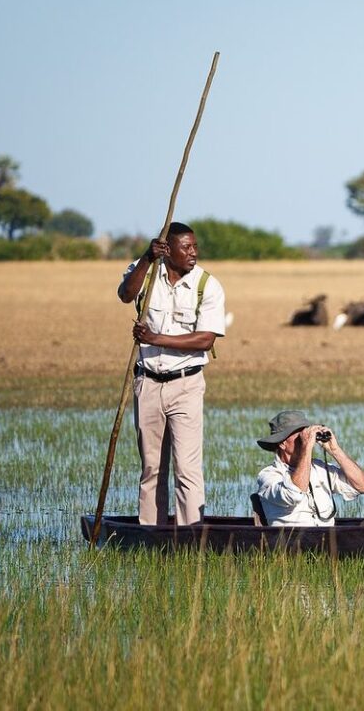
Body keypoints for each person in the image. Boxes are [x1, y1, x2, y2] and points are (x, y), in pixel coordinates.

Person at [117, 221, 225, 525]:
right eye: (186, 247)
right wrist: (147, 257)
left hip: (187, 384)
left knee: (187, 469)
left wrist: (155, 339)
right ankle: (152, 534)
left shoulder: (207, 285)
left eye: (195, 246)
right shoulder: (147, 273)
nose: (194, 253)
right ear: (167, 250)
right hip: (147, 382)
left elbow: (206, 339)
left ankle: (190, 536)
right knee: (152, 467)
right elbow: (126, 295)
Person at [255, 410, 364, 526]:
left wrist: (335, 450)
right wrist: (306, 448)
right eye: (299, 435)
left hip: (325, 540)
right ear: (282, 443)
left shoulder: (319, 468)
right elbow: (294, 494)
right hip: (291, 542)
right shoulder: (268, 476)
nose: (305, 438)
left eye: (306, 433)